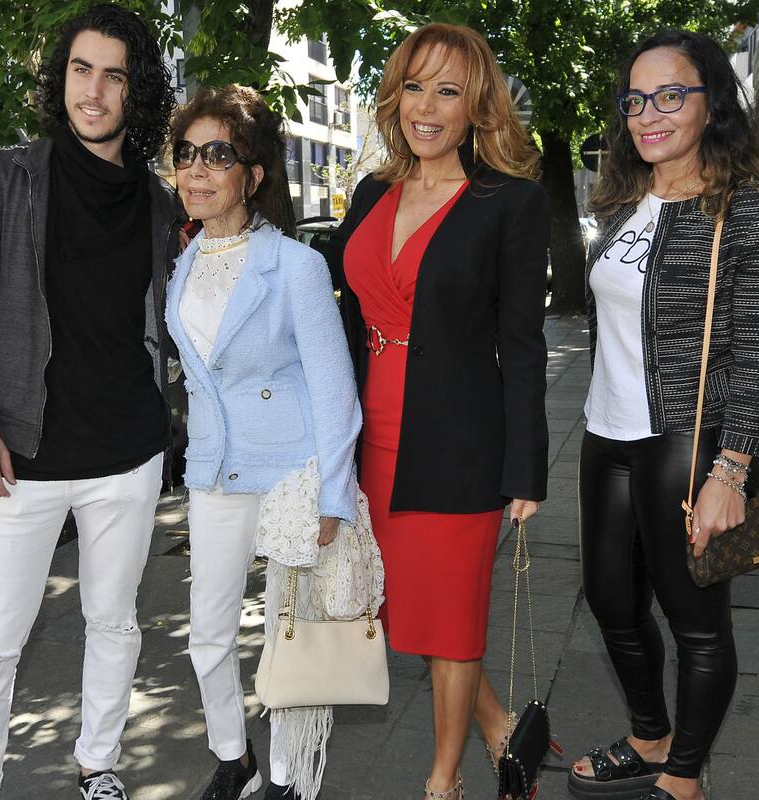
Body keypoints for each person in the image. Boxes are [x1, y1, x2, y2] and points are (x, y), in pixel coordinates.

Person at [0, 5, 180, 799]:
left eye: (114, 74)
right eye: (81, 69)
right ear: (59, 77)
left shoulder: (160, 203)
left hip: (128, 457)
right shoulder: (3, 178)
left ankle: (99, 763)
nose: (94, 91)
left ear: (135, 92)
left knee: (114, 622)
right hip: (21, 455)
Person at [567, 30, 759, 800]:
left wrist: (732, 471)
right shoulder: (621, 201)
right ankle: (648, 734)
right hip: (607, 431)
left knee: (694, 616)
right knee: (610, 599)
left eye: (671, 95)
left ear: (713, 103)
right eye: (636, 100)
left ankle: (684, 778)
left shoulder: (758, 214)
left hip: (690, 438)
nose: (648, 115)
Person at [324, 22, 550, 800]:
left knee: (450, 623)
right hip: (370, 438)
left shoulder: (509, 203)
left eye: (448, 90)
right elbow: (342, 315)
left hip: (459, 444)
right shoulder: (370, 192)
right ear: (395, 96)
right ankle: (498, 728)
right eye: (415, 85)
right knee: (404, 609)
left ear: (475, 105)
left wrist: (526, 467)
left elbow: (523, 346)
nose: (427, 106)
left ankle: (442, 782)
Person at [165, 85, 361, 800]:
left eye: (218, 155)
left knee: (294, 636)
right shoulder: (184, 263)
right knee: (207, 633)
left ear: (253, 175)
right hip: (217, 470)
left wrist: (335, 493)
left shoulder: (297, 267)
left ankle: (285, 779)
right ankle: (232, 757)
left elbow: (336, 390)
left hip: (291, 472)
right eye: (186, 154)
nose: (197, 170)